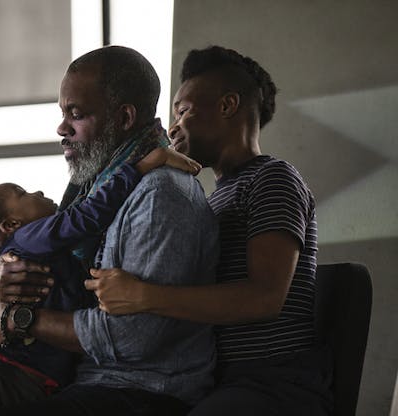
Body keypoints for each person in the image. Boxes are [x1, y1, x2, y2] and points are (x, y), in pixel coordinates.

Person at [82, 46, 333, 415]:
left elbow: (264, 298)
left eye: (183, 111)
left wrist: (143, 295)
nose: (172, 126)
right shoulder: (214, 199)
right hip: (218, 382)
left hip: (274, 383)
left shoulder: (273, 178)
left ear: (228, 105)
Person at [0, 46, 219, 415]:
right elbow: (51, 261)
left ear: (124, 117)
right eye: (63, 114)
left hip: (145, 392)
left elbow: (135, 337)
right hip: (92, 380)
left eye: (76, 114)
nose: (62, 129)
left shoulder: (160, 196)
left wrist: (20, 320)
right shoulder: (92, 188)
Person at [0, 143, 197, 416]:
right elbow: (87, 216)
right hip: (5, 372)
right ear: (12, 224)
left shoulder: (32, 247)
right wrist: (141, 167)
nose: (36, 192)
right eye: (22, 194)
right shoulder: (30, 237)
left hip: (36, 379)